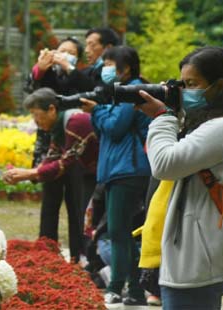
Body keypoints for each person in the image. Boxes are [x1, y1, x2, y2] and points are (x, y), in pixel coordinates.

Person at [137, 46, 223, 309]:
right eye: (182, 84)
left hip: (198, 260)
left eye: (192, 84)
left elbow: (164, 164)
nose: (185, 91)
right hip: (194, 254)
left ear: (219, 85)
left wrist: (164, 116)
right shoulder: (210, 124)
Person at [80, 46, 151, 306]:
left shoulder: (132, 91)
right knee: (121, 232)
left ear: (127, 67)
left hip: (128, 170)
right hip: (117, 169)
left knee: (119, 232)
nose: (105, 69)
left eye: (110, 64)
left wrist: (97, 111)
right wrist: (100, 112)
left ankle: (116, 287)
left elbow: (115, 127)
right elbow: (104, 132)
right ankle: (134, 291)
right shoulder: (117, 92)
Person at [3, 87, 99, 262]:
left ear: (52, 109)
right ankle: (82, 260)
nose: (35, 120)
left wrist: (28, 174)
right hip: (91, 173)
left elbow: (65, 163)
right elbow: (53, 156)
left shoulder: (75, 122)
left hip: (102, 174)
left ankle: (91, 263)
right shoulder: (58, 126)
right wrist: (25, 174)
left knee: (88, 219)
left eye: (36, 114)